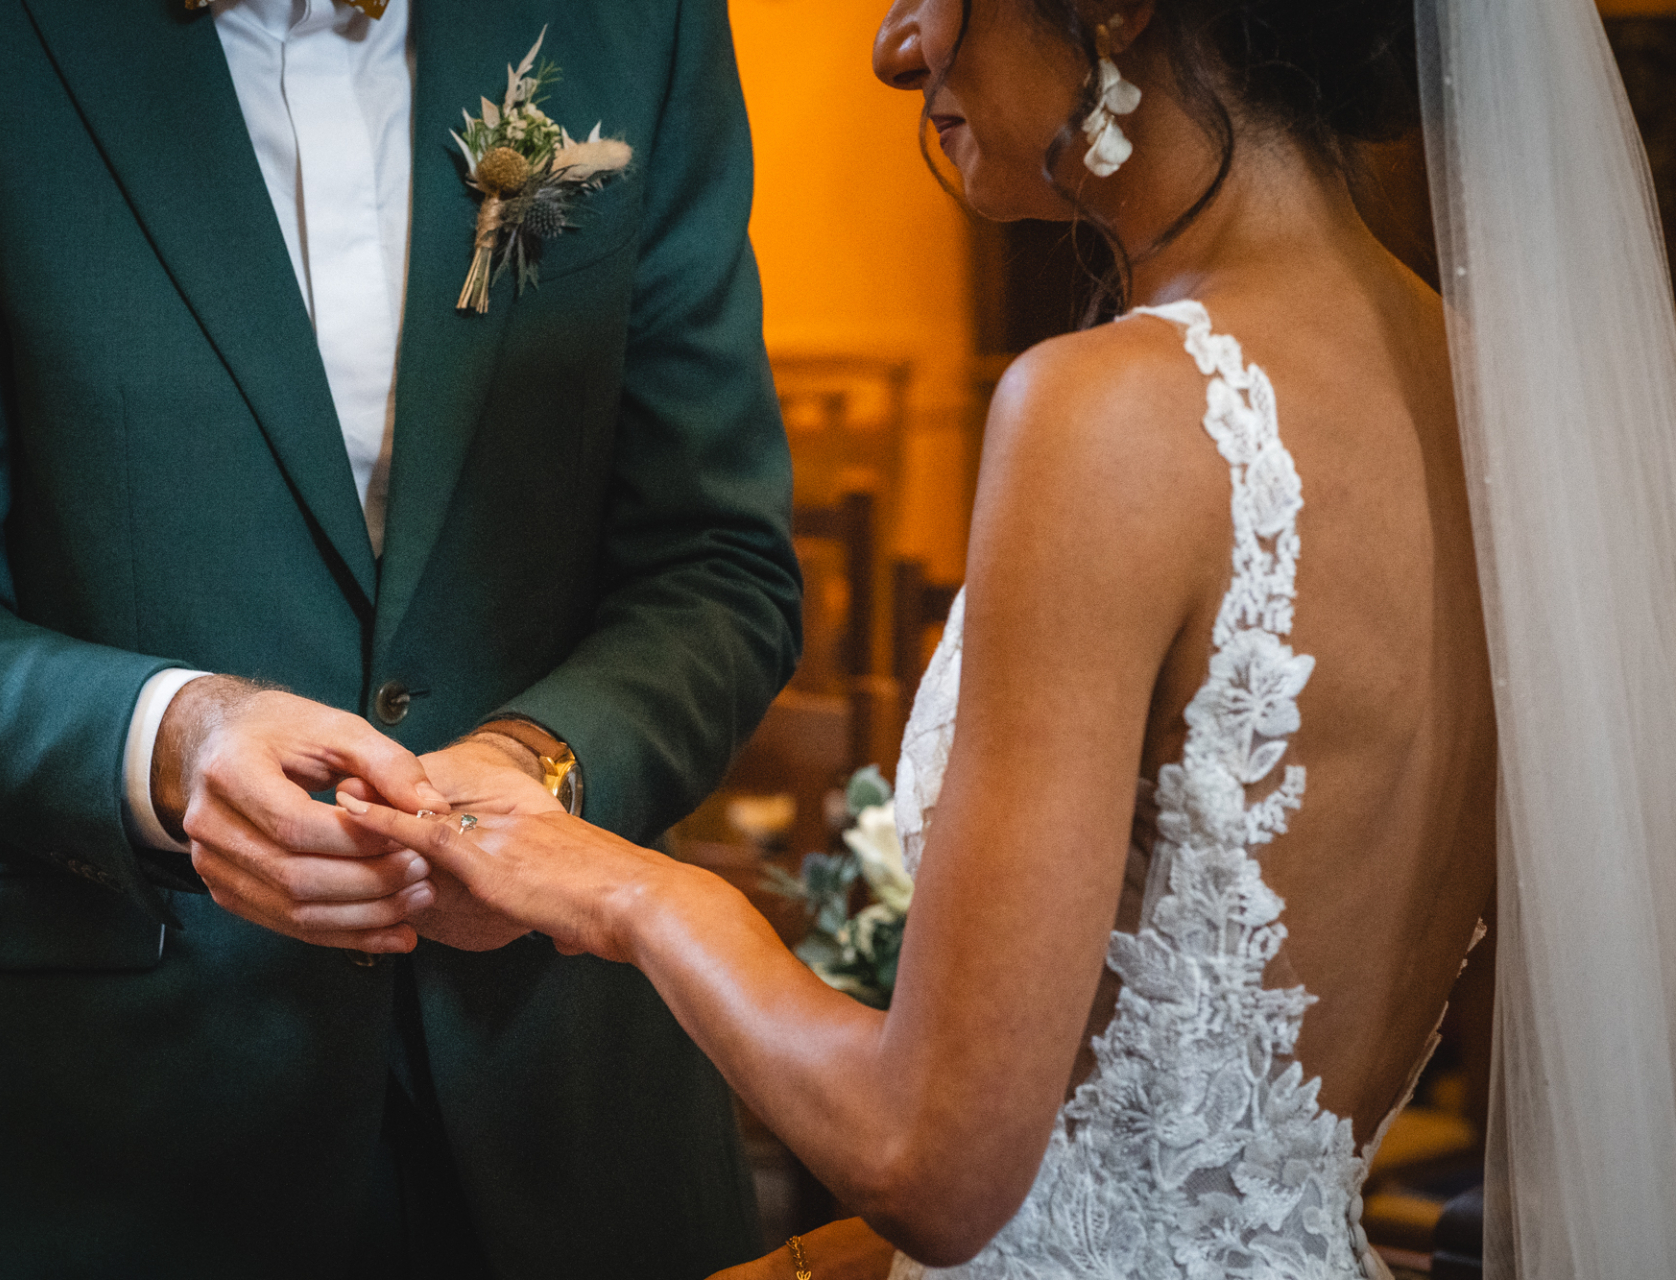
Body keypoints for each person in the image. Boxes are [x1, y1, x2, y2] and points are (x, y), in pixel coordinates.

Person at [347, 0, 1676, 1275]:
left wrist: (619, 886)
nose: (893, 44)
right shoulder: (1481, 383)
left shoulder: (1109, 417)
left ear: (1114, 8)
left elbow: (929, 1162)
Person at [0, 0, 801, 1276]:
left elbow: (718, 563)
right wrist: (173, 739)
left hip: (570, 1109)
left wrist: (544, 763)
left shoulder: (642, 25)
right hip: (105, 1135)